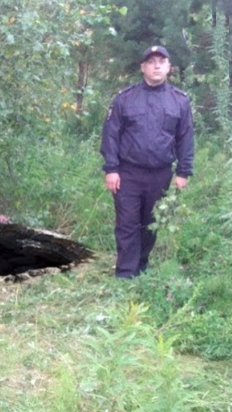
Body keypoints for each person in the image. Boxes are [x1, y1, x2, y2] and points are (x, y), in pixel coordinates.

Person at [100, 45, 194, 279]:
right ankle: (125, 274)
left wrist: (183, 172)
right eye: (151, 62)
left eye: (161, 62)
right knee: (127, 223)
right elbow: (110, 135)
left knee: (150, 223)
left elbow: (185, 138)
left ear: (169, 67)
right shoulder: (125, 98)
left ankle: (141, 268)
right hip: (128, 173)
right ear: (143, 67)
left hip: (160, 174)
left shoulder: (179, 101)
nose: (156, 66)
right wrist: (111, 169)